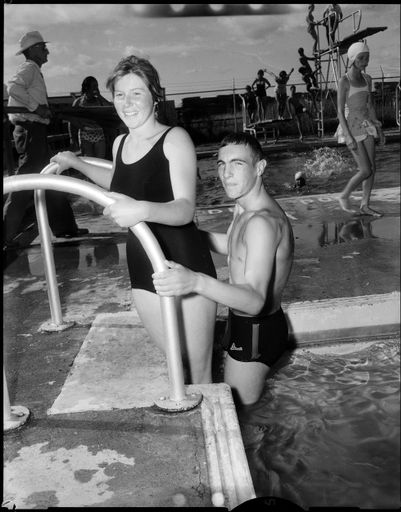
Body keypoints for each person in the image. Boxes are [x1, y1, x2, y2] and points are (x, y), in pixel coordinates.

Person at [50, 55, 217, 384]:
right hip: (143, 266)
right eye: (120, 95)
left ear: (155, 96)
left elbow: (184, 208)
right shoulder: (120, 142)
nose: (127, 103)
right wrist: (77, 162)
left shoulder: (175, 139)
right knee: (174, 365)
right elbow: (120, 176)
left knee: (199, 370)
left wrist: (142, 209)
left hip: (184, 261)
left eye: (136, 93)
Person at [152, 132, 295, 406]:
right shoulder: (243, 209)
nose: (226, 174)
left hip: (256, 329)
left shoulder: (262, 223)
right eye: (221, 164)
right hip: (243, 323)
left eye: (237, 164)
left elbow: (254, 300)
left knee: (243, 417)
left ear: (260, 168)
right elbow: (235, 249)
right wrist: (181, 234)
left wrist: (195, 281)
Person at [4, 31, 88, 248]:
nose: (46, 50)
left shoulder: (34, 71)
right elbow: (12, 87)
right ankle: (4, 234)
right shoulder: (29, 68)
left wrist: (42, 110)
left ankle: (65, 228)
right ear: (32, 50)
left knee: (50, 178)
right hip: (30, 132)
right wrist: (36, 108)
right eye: (42, 47)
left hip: (36, 132)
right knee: (24, 185)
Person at [335, 41, 385, 216]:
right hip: (351, 127)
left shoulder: (367, 79)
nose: (365, 61)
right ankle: (344, 195)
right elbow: (340, 111)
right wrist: (347, 136)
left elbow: (370, 105)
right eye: (362, 58)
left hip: (367, 125)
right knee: (365, 170)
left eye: (367, 58)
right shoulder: (344, 81)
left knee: (372, 167)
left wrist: (378, 126)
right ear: (353, 59)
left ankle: (365, 205)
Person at [69, 76, 111, 158]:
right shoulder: (78, 102)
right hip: (85, 135)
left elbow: (110, 108)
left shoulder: (99, 101)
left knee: (100, 162)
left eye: (97, 86)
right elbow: (71, 121)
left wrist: (100, 96)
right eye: (94, 86)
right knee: (89, 161)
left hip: (99, 135)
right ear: (87, 87)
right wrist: (72, 138)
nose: (96, 88)